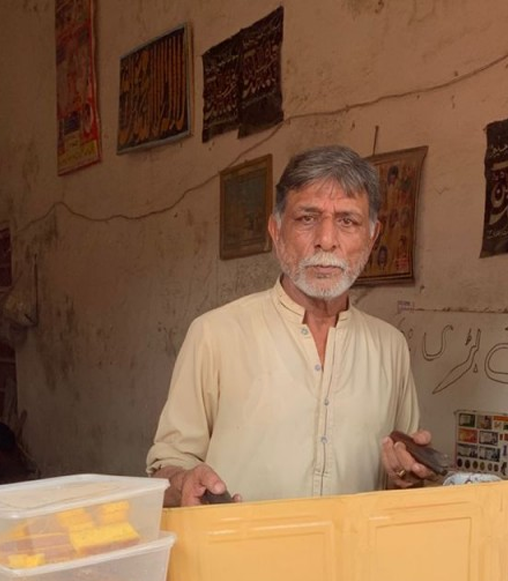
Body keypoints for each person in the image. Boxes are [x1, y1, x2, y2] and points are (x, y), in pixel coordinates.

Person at [147, 145, 436, 507]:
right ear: (275, 228)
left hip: (351, 561)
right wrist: (183, 481)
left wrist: (406, 474)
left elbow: (401, 474)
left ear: (372, 235)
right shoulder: (215, 334)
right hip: (243, 559)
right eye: (307, 218)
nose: (326, 240)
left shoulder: (390, 346)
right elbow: (164, 468)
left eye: (347, 221)